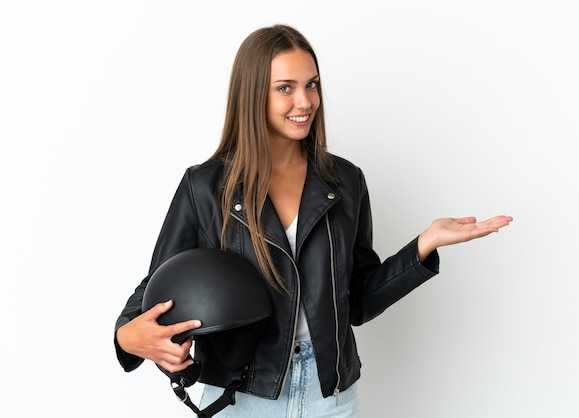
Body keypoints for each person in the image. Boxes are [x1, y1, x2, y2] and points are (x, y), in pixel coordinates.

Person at [114, 24, 513, 417]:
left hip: (331, 395)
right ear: (252, 94)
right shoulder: (206, 186)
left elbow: (355, 301)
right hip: (242, 397)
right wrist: (127, 335)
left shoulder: (345, 182)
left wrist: (424, 246)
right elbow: (157, 286)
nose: (304, 101)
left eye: (312, 84)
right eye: (285, 87)